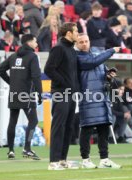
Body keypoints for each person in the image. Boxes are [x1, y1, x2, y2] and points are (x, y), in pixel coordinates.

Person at [76, 33, 121, 169]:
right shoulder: (77, 57)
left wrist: (109, 75)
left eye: (86, 41)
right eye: (81, 42)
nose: (84, 44)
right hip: (88, 96)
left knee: (104, 128)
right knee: (87, 128)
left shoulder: (97, 55)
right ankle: (85, 159)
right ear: (77, 44)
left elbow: (102, 71)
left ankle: (104, 159)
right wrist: (111, 50)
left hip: (102, 97)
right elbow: (92, 63)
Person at [0, 34, 42, 160]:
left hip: (14, 93)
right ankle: (27, 149)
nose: (37, 43)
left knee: (13, 120)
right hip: (26, 94)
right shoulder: (33, 56)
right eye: (35, 40)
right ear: (29, 42)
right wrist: (39, 93)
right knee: (33, 121)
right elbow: (36, 76)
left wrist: (11, 82)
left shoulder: (13, 56)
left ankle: (11, 150)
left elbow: (0, 69)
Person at [44, 22, 79, 170]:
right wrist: (64, 82)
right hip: (60, 93)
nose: (78, 33)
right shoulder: (58, 48)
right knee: (58, 127)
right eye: (76, 31)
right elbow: (48, 69)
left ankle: (62, 160)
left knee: (68, 127)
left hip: (71, 94)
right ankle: (53, 162)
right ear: (69, 33)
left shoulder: (72, 50)